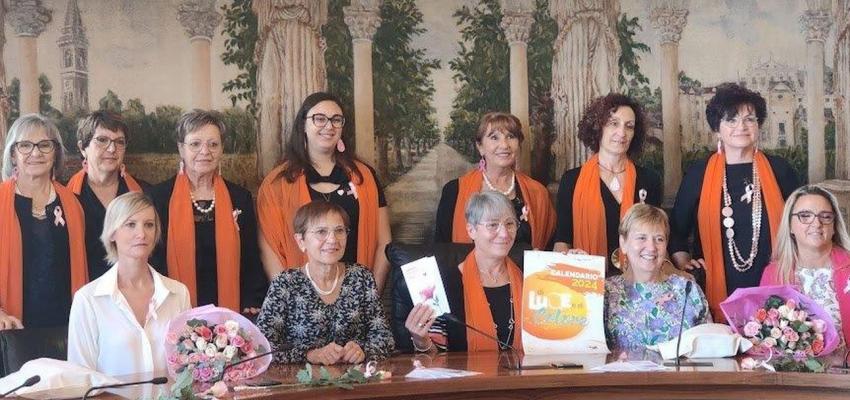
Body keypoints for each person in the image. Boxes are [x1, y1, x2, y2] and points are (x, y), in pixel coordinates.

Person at [669, 83, 799, 319]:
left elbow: (800, 225)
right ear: (717, 129)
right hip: (714, 286)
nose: (741, 126)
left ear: (758, 125)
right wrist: (684, 264)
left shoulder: (781, 170)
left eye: (749, 119)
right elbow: (676, 231)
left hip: (773, 283)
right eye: (731, 120)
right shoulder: (698, 173)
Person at [257, 92, 392, 292]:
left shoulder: (365, 178)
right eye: (319, 119)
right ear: (303, 125)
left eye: (336, 120)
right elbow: (268, 249)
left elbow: (384, 242)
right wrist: (291, 299)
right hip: (299, 299)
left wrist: (371, 295)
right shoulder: (277, 183)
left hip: (357, 296)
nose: (329, 126)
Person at [149, 110, 267, 313]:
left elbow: (251, 258)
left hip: (231, 311)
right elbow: (152, 260)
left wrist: (252, 300)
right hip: (172, 308)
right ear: (181, 148)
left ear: (222, 149)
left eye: (213, 144)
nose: (205, 151)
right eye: (195, 144)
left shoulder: (240, 198)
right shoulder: (158, 198)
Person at [67, 192, 191, 376]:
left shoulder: (178, 293)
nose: (141, 234)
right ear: (112, 233)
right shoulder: (87, 300)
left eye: (149, 225)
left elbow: (188, 367)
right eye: (131, 224)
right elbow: (80, 377)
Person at [256, 201, 394, 365]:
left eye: (339, 231)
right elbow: (261, 348)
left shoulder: (361, 277)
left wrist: (363, 350)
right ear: (301, 241)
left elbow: (385, 337)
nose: (332, 240)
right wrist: (309, 355)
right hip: (301, 379)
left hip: (355, 378)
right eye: (321, 232)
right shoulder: (285, 284)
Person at [553, 93, 661, 276]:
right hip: (587, 282)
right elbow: (562, 240)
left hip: (638, 281)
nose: (622, 133)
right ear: (598, 127)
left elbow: (658, 238)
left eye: (629, 126)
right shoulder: (571, 180)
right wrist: (564, 262)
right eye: (613, 123)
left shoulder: (649, 179)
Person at [404, 191, 523, 353]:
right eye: (493, 225)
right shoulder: (444, 284)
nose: (504, 234)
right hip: (464, 370)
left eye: (510, 224)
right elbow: (436, 357)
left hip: (524, 370)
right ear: (471, 230)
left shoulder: (529, 278)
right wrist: (421, 341)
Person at [0, 114, 88, 330]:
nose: (36, 153)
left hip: (66, 328)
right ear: (13, 155)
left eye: (44, 145)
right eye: (25, 145)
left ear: (55, 153)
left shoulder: (73, 204)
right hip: (11, 328)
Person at [434, 112, 555, 250]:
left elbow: (549, 250)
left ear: (519, 144)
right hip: (469, 265)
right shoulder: (454, 191)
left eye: (511, 136)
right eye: (494, 137)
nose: (504, 145)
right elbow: (443, 251)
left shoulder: (538, 192)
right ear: (480, 147)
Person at [605, 204, 711, 349]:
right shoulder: (606, 292)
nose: (651, 247)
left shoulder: (687, 289)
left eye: (659, 239)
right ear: (623, 243)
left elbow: (710, 348)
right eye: (641, 238)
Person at [761, 185, 850, 349]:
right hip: (792, 366)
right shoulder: (773, 274)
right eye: (805, 216)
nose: (816, 223)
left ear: (834, 226)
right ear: (790, 225)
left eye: (825, 216)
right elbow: (766, 339)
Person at [67, 111, 147, 280]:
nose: (112, 149)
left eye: (119, 142)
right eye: (102, 140)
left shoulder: (144, 194)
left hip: (134, 289)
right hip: (82, 291)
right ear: (82, 148)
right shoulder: (65, 198)